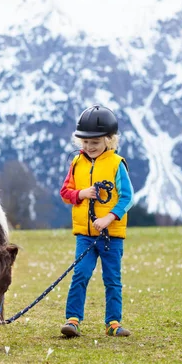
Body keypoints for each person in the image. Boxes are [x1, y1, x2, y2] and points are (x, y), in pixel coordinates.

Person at [59, 104, 134, 337]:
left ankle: (113, 323)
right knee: (80, 274)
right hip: (85, 235)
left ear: (109, 141)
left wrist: (109, 218)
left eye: (95, 142)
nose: (90, 147)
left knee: (112, 279)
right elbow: (65, 193)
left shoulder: (116, 164)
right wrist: (82, 194)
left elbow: (128, 198)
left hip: (111, 236)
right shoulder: (77, 163)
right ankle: (72, 320)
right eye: (86, 142)